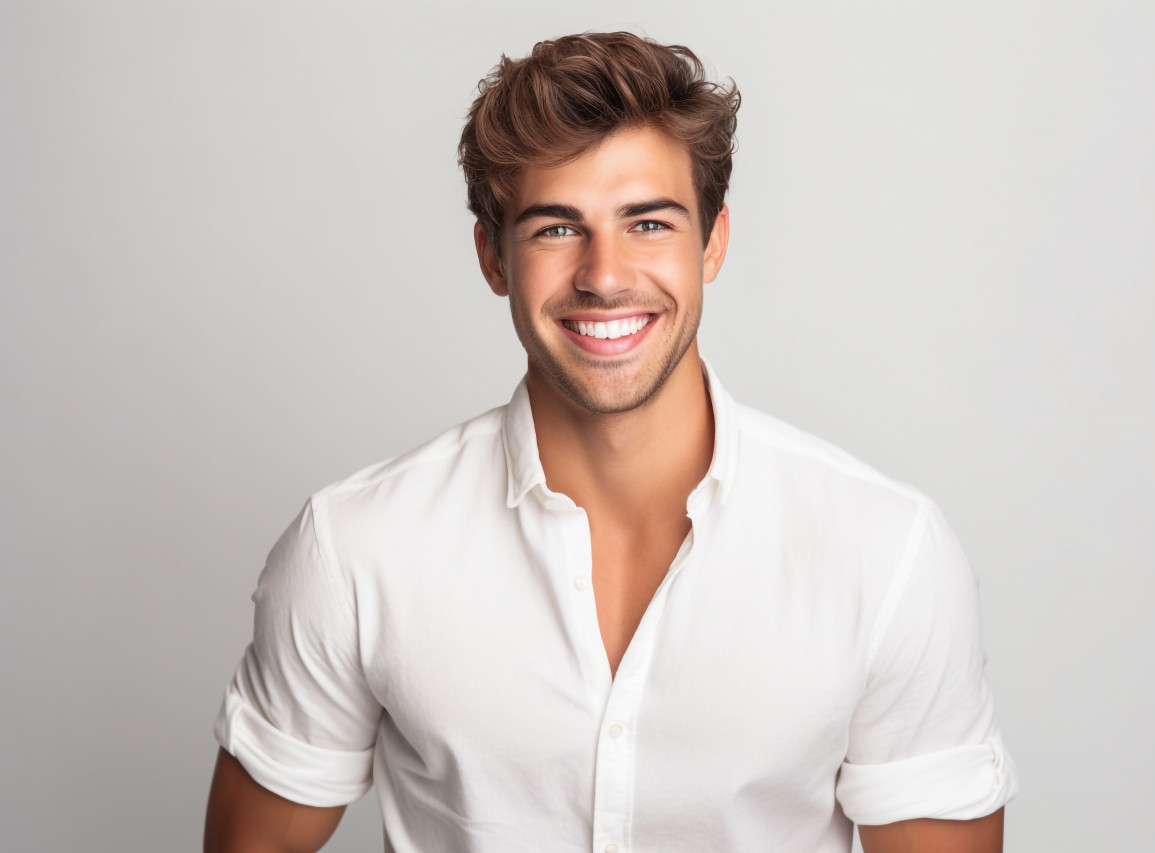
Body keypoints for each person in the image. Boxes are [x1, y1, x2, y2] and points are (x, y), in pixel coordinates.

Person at [204, 31, 1018, 853]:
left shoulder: (886, 554)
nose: (603, 274)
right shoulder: (355, 549)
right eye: (557, 229)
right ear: (493, 257)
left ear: (712, 242)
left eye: (649, 223)